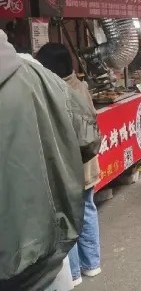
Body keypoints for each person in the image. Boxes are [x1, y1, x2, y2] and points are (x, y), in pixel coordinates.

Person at [0, 31, 100, 291]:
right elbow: (89, 138)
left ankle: (81, 269)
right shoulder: (40, 77)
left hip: (14, 254)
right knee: (84, 211)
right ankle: (90, 263)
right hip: (45, 259)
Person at [36, 43, 102, 288]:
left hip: (69, 166)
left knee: (67, 218)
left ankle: (73, 273)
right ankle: (92, 263)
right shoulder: (81, 86)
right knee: (88, 209)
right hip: (88, 163)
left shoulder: (51, 91)